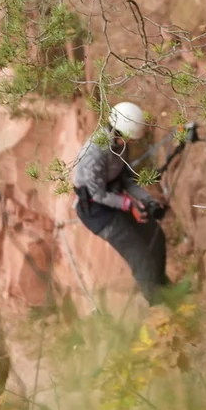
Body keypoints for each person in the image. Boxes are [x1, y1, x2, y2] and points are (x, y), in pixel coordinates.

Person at [71, 101, 171, 302]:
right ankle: (158, 305)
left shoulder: (120, 145)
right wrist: (130, 205)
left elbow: (125, 179)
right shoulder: (95, 153)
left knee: (156, 237)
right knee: (139, 254)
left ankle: (166, 290)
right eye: (131, 138)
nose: (133, 142)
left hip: (115, 196)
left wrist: (147, 199)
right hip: (96, 211)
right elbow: (97, 194)